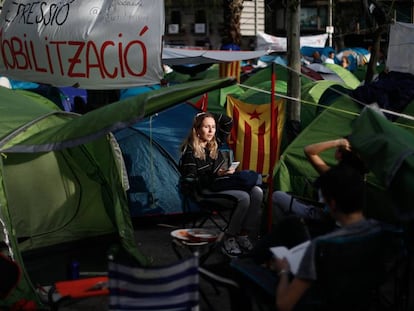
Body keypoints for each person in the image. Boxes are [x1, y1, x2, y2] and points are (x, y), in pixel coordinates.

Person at [273, 165, 381, 311]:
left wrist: (283, 272)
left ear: (332, 203)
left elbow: (284, 305)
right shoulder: (380, 232)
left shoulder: (321, 246)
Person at [179, 112, 263, 257]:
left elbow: (228, 122)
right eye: (206, 127)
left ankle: (243, 234)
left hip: (219, 185)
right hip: (203, 192)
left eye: (213, 127)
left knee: (257, 191)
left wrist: (208, 114)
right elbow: (191, 181)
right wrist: (216, 175)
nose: (211, 131)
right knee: (243, 197)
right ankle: (228, 238)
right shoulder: (190, 153)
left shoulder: (214, 143)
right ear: (197, 130)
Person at [272, 138, 367, 232]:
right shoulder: (359, 178)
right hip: (341, 222)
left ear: (340, 155)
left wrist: (337, 142)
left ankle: (282, 235)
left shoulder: (334, 174)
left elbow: (309, 151)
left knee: (277, 196)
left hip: (322, 217)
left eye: (338, 148)